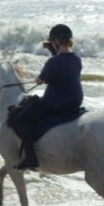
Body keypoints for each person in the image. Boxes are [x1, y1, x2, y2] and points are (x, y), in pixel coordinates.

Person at [11, 23, 83, 171]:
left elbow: (39, 81)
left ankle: (31, 158)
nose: (51, 44)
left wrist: (52, 59)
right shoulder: (76, 58)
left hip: (55, 102)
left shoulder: (54, 62)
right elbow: (64, 68)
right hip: (75, 101)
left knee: (21, 120)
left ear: (58, 41)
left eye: (52, 41)